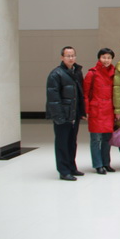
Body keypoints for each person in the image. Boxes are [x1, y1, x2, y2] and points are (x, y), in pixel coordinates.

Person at [46, 46, 86, 181]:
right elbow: (53, 99)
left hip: (74, 114)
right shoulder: (56, 74)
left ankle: (71, 167)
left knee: (72, 142)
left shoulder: (77, 72)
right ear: (62, 57)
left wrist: (81, 111)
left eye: (73, 55)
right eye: (68, 56)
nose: (71, 58)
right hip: (62, 116)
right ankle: (63, 171)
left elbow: (80, 94)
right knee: (62, 143)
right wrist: (59, 117)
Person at [83, 48, 116, 175]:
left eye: (109, 58)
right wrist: (86, 110)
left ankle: (106, 163)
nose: (106, 60)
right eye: (104, 57)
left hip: (109, 110)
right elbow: (85, 94)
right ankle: (98, 164)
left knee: (107, 139)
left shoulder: (114, 72)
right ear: (99, 58)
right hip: (96, 109)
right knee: (96, 139)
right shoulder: (92, 73)